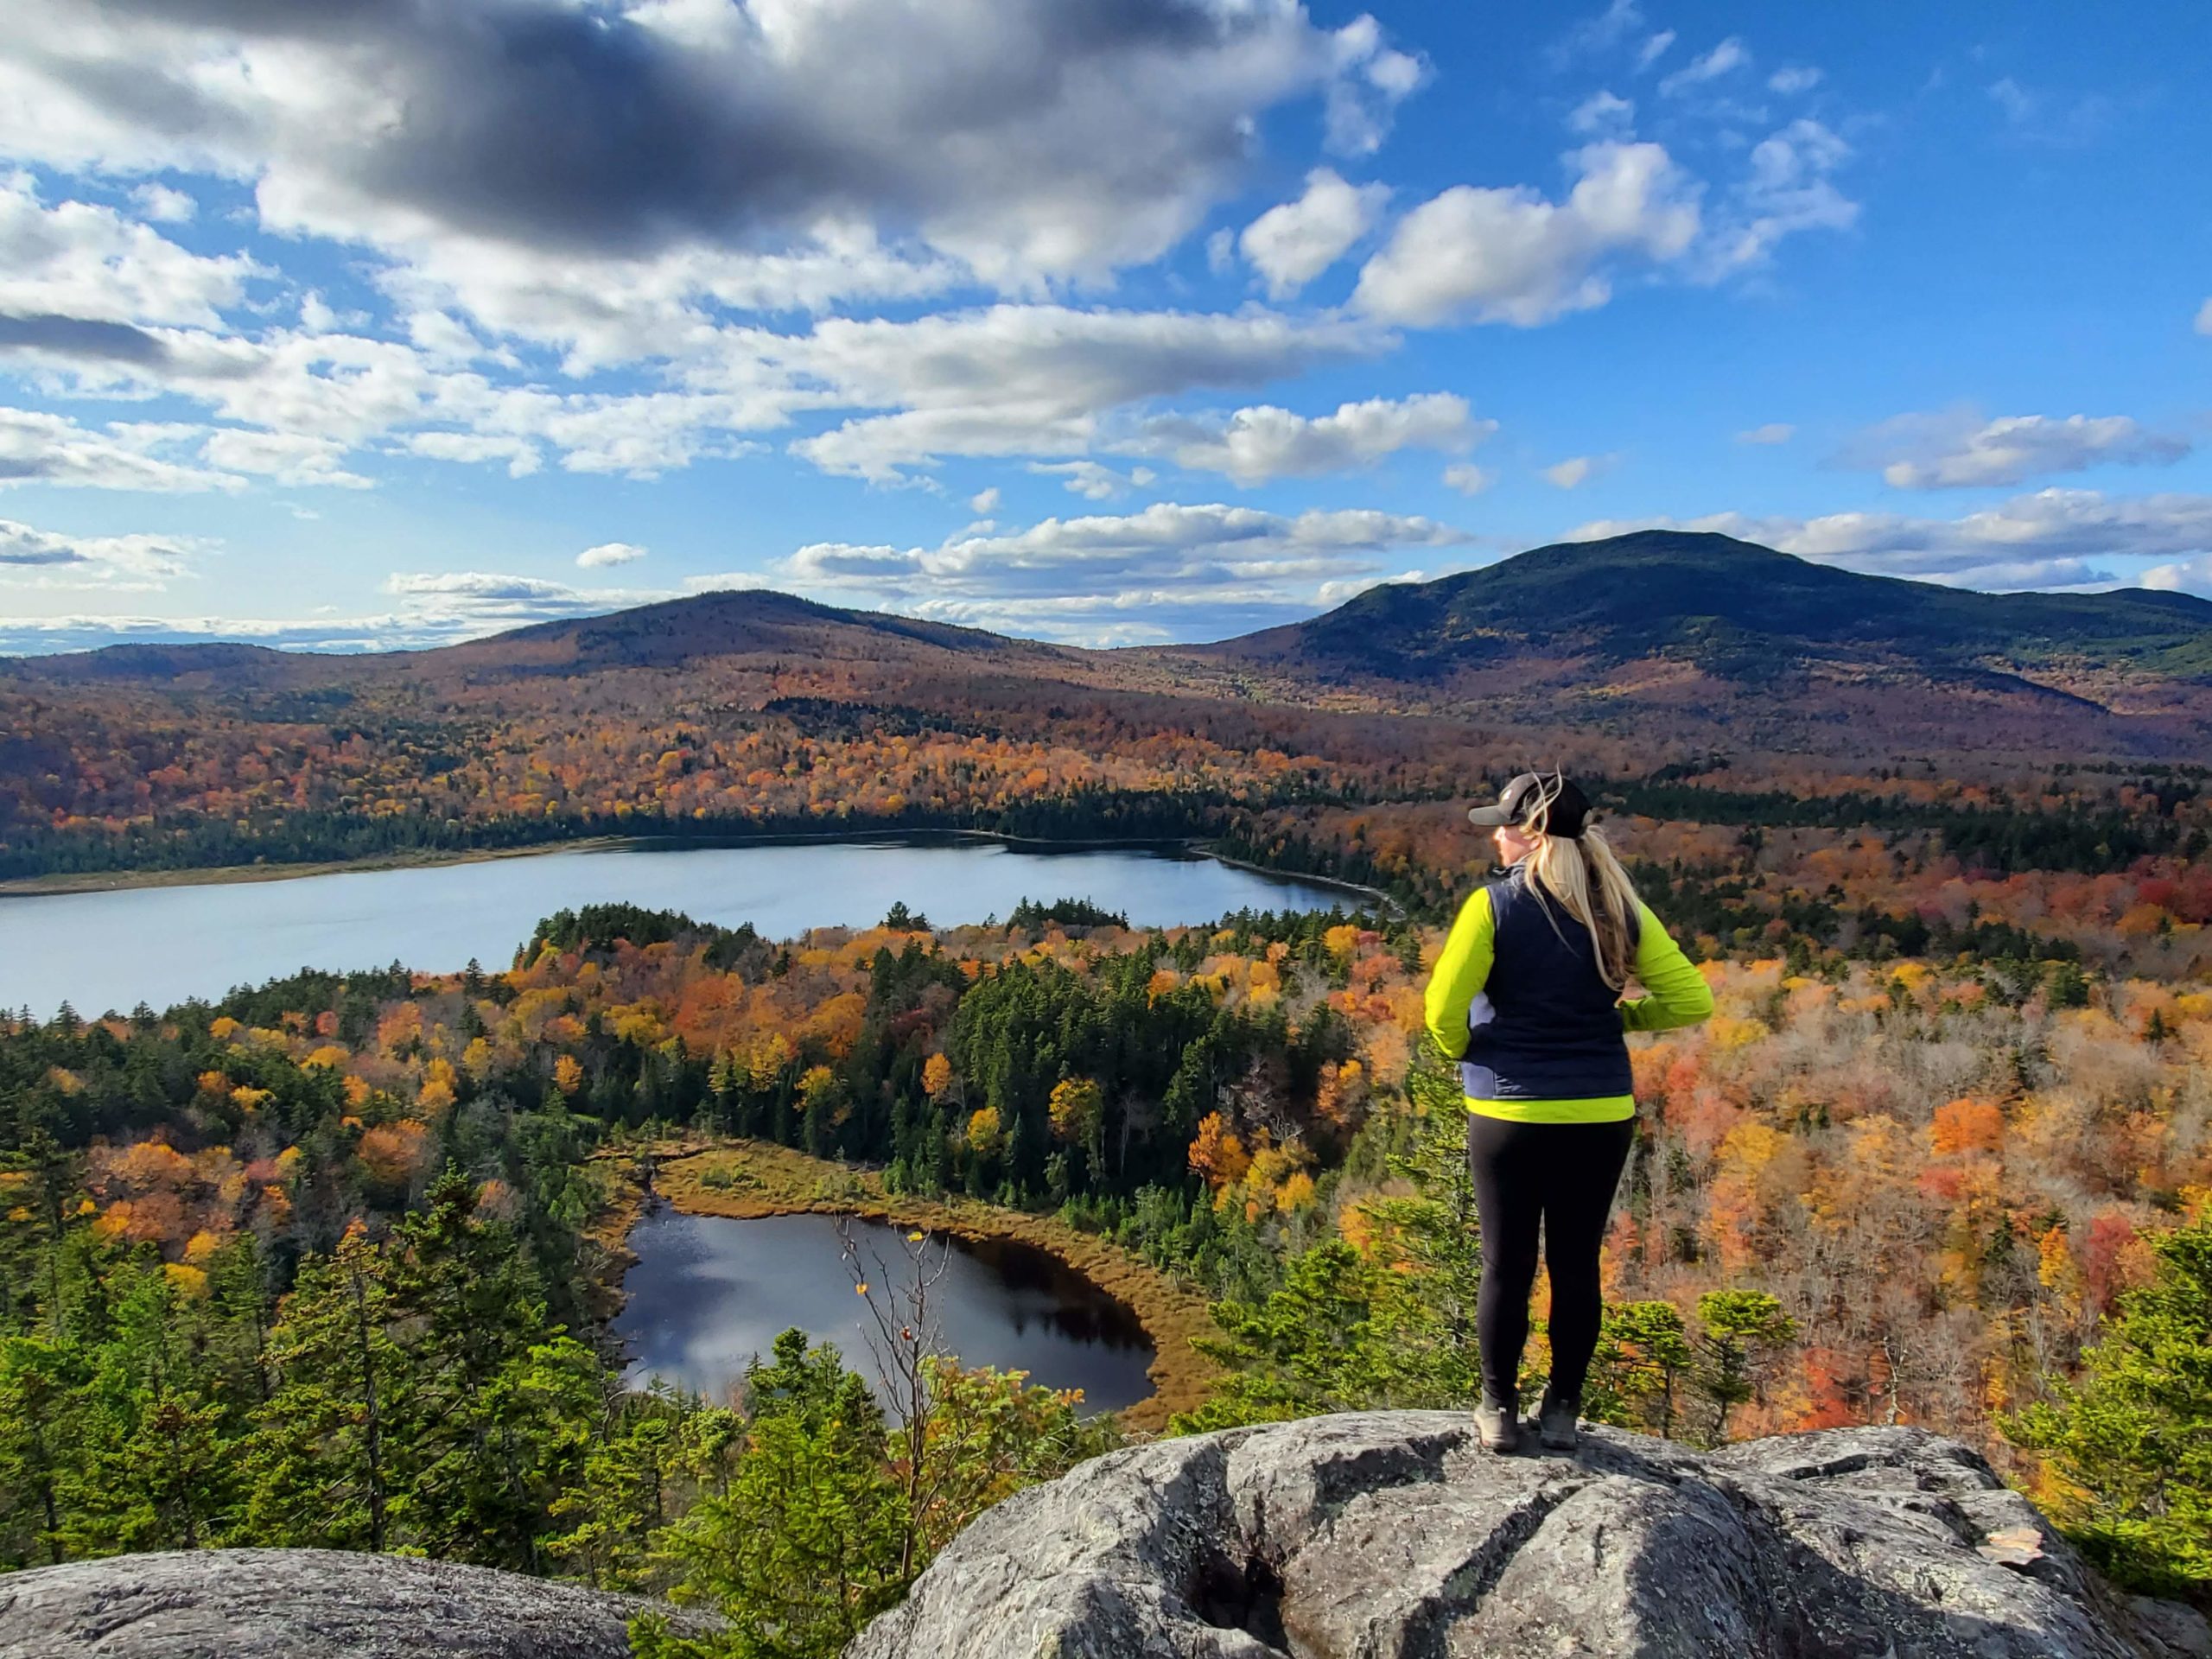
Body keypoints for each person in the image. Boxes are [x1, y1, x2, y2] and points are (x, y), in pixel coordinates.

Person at [1423, 771, 1713, 1454]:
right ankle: (1561, 1414)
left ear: (1531, 834)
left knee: (1506, 1266)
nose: (1495, 834)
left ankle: (1498, 1410)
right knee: (1577, 1265)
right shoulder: (1621, 909)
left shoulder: (1492, 906)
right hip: (1600, 1112)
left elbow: (1441, 1011)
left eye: (1504, 823)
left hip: (1509, 1112)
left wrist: (1476, 1050)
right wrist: (1614, 1023)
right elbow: (1692, 1002)